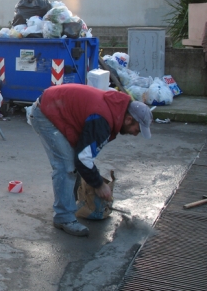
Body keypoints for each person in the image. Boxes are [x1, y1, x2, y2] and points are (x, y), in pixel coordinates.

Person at [29, 83, 153, 237]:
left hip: (58, 108)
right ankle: (63, 217)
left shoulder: (115, 109)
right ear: (128, 119)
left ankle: (71, 201)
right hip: (46, 114)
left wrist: (92, 178)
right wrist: (99, 185)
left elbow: (85, 154)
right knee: (66, 166)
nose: (136, 134)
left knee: (76, 162)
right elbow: (83, 159)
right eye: (138, 129)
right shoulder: (103, 119)